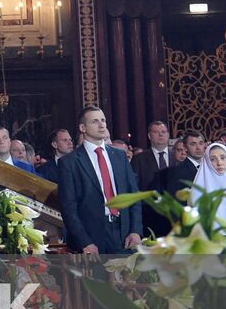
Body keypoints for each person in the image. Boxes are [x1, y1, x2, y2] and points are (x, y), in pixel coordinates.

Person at [57, 107, 143, 255]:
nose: (102, 125)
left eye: (103, 120)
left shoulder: (119, 156)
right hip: (92, 237)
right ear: (82, 128)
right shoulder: (69, 162)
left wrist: (135, 231)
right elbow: (69, 208)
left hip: (123, 234)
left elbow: (133, 196)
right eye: (95, 121)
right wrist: (84, 242)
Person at [132, 120, 175, 237]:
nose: (160, 135)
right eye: (156, 132)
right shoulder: (139, 159)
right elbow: (135, 188)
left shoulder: (177, 156)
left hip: (175, 216)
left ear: (168, 135)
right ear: (149, 136)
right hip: (150, 216)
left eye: (163, 132)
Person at [161, 129, 207, 199]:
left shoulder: (210, 167)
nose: (198, 147)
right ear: (185, 148)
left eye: (201, 143)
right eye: (193, 144)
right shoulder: (176, 172)